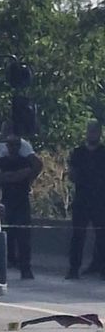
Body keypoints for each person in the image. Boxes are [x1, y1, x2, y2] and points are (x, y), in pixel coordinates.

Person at [0, 132, 42, 280]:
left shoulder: (25, 161)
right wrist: (16, 176)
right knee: (5, 236)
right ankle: (4, 267)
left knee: (23, 237)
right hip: (5, 201)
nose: (13, 147)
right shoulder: (1, 161)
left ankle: (26, 268)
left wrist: (14, 176)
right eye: (10, 145)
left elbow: (32, 169)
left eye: (16, 145)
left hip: (22, 201)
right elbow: (0, 176)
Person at [66, 120, 105, 280]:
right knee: (78, 236)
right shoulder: (78, 152)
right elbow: (72, 173)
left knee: (102, 236)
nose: (92, 134)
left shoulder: (103, 153)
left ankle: (102, 268)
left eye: (95, 131)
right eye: (90, 131)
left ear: (100, 133)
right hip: (82, 199)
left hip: (100, 200)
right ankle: (73, 268)